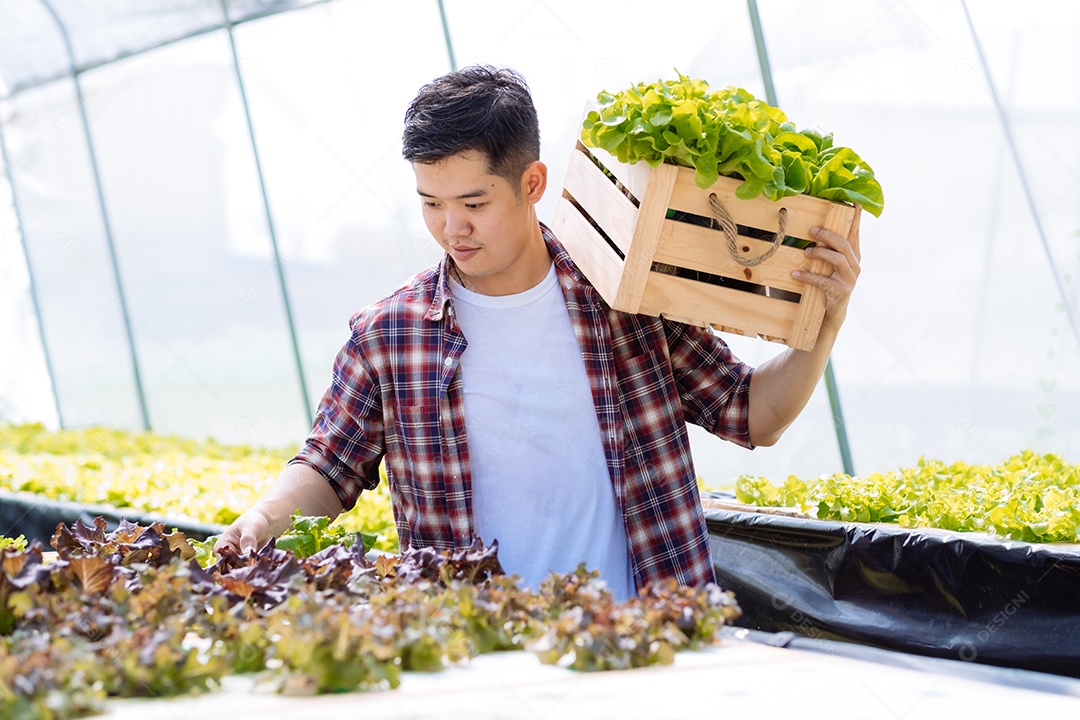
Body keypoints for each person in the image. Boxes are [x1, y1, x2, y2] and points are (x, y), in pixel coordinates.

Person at [215, 65, 861, 600]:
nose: (450, 229)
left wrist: (822, 324)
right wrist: (262, 519)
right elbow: (328, 467)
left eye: (473, 204)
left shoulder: (624, 299)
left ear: (533, 183)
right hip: (478, 662)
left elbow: (755, 414)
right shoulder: (390, 337)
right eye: (430, 204)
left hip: (644, 648)